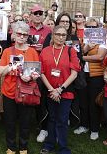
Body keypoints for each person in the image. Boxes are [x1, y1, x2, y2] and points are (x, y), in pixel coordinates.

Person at [0, 21, 40, 154]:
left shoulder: (32, 52)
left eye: (25, 34)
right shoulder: (7, 51)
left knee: (25, 122)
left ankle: (23, 147)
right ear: (14, 35)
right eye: (19, 34)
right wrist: (12, 66)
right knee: (9, 122)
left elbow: (37, 72)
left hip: (26, 91)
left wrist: (31, 77)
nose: (22, 36)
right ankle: (11, 147)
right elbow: (0, 72)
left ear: (27, 36)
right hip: (9, 91)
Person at [39, 25, 80, 154]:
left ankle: (63, 147)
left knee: (62, 120)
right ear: (53, 35)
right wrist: (52, 90)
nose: (61, 37)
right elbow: (42, 72)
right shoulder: (45, 51)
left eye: (63, 35)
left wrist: (60, 90)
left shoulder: (70, 51)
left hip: (65, 91)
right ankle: (49, 144)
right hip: (51, 92)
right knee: (52, 118)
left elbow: (74, 74)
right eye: (58, 34)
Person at [74, 18, 107, 140]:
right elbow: (75, 55)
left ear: (98, 28)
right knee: (83, 102)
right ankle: (84, 125)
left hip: (96, 76)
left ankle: (94, 129)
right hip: (83, 75)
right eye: (89, 27)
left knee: (94, 103)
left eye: (94, 27)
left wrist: (82, 57)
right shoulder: (82, 41)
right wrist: (86, 49)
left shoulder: (102, 41)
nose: (92, 30)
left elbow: (100, 57)